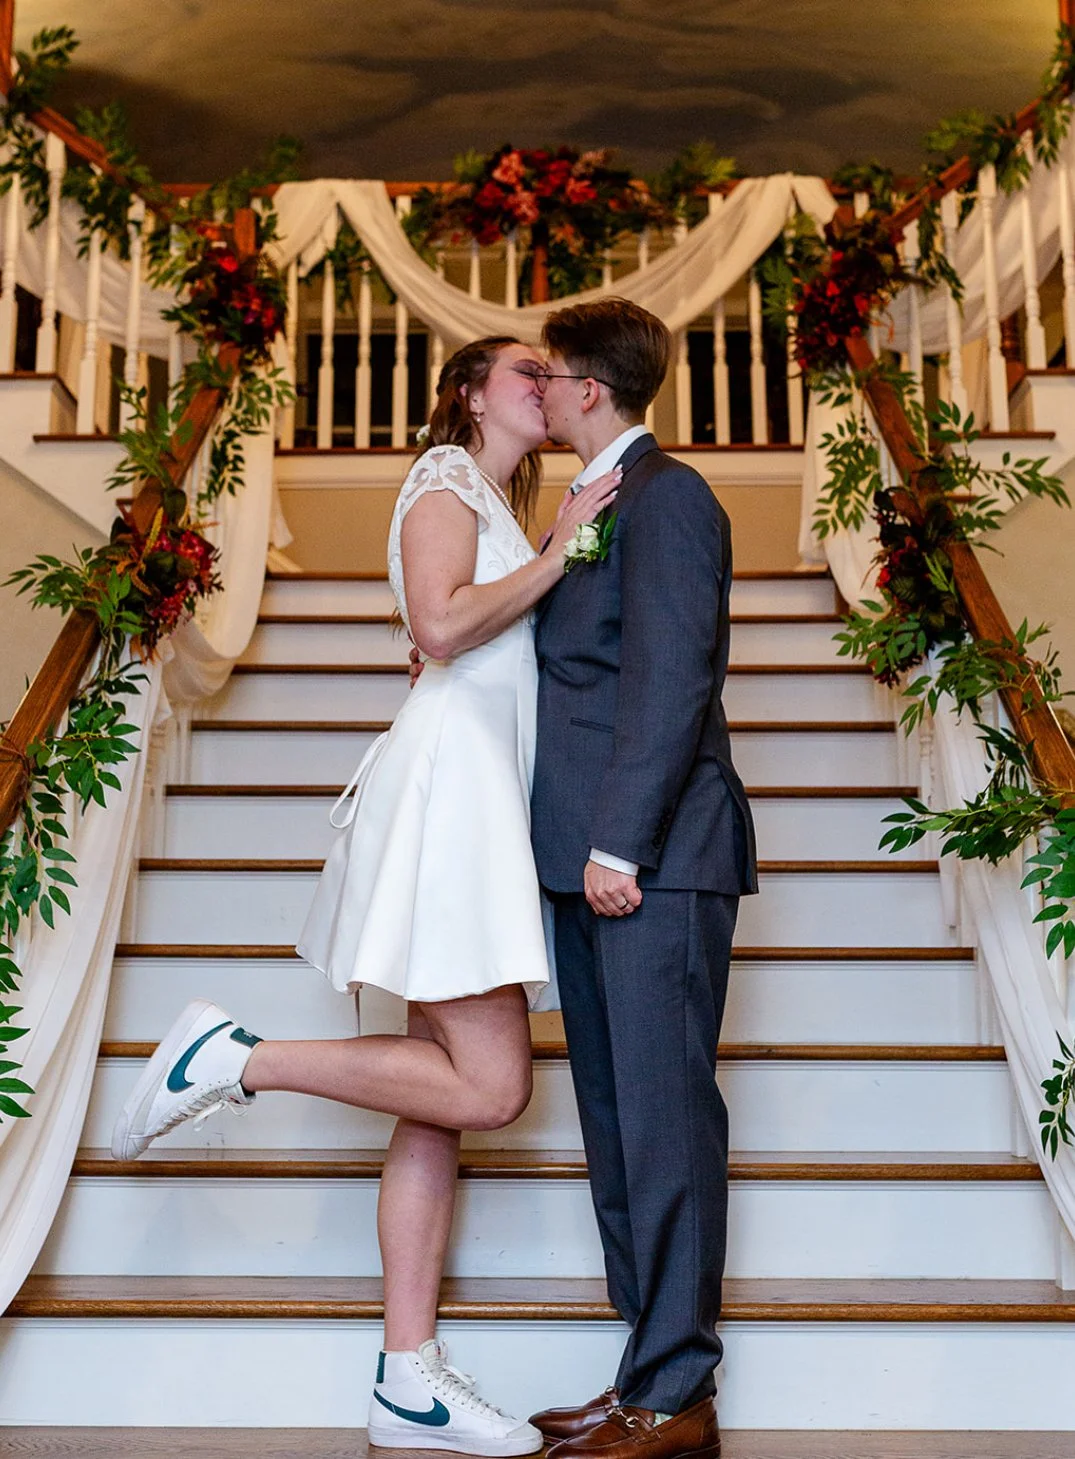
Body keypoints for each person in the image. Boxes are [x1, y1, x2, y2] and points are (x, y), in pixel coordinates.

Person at [109, 335, 620, 1458]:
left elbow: (451, 640)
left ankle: (406, 1375)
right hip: (448, 801)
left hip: (473, 800)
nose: (543, 386)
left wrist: (534, 561)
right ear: (469, 395)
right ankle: (236, 1058)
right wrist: (561, 551)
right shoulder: (442, 477)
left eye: (551, 371)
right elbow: (437, 626)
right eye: (523, 372)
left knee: (438, 1099)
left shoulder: (483, 500)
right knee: (490, 1088)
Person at [526, 298, 757, 1459]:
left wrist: (618, 846)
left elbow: (671, 677)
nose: (543, 389)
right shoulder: (592, 504)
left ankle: (677, 1394)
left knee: (662, 1125)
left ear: (586, 388)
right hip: (587, 864)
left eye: (551, 372)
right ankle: (642, 1376)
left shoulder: (671, 498)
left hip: (649, 864)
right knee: (617, 1127)